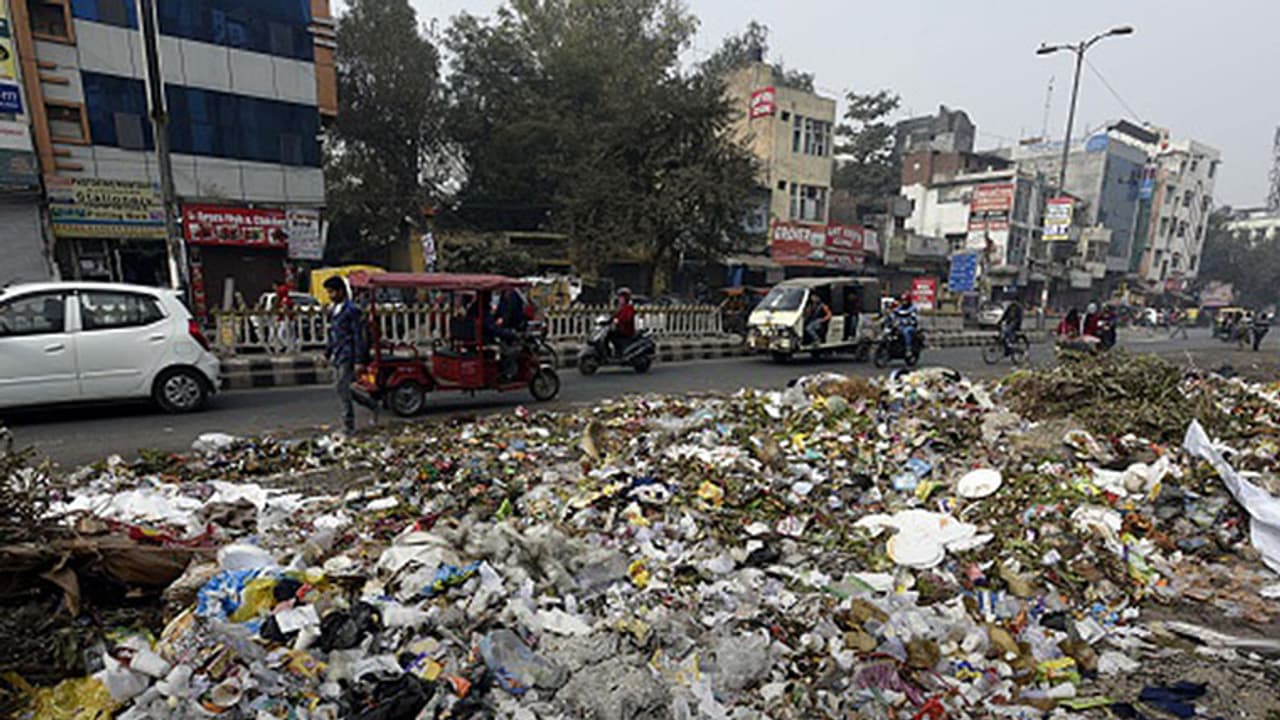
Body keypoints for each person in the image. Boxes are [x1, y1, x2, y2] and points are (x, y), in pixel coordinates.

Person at [323, 277, 368, 435]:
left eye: (332, 292)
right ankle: (371, 404)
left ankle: (349, 425)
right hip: (337, 353)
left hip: (348, 353)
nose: (330, 295)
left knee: (342, 387)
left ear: (341, 291)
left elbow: (358, 336)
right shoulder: (333, 310)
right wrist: (327, 353)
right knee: (341, 388)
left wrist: (358, 361)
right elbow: (332, 334)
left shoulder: (351, 310)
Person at [610, 288, 637, 356]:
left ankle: (619, 353)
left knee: (614, 336)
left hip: (626, 330)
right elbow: (614, 316)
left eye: (622, 298)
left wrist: (618, 321)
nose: (620, 299)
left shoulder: (629, 308)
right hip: (619, 329)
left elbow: (627, 318)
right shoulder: (620, 307)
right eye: (620, 298)